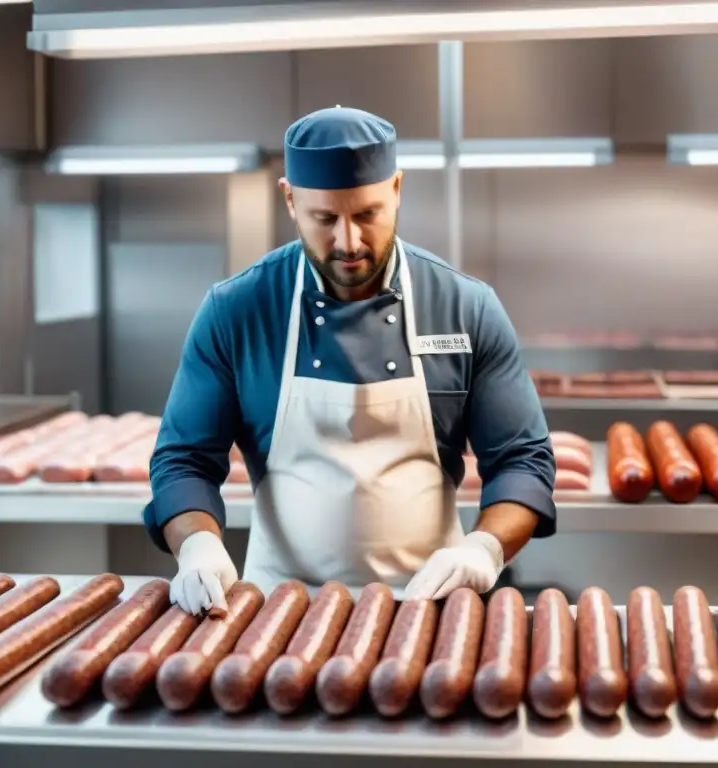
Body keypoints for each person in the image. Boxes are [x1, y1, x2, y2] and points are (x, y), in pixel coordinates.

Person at [143, 107, 557, 616]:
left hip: (432, 609)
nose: (349, 242)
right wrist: (198, 547)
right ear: (290, 199)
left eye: (367, 214)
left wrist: (484, 550)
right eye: (324, 219)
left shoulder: (465, 307)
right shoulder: (237, 310)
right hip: (275, 613)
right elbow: (183, 460)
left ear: (398, 189)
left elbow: (522, 460)